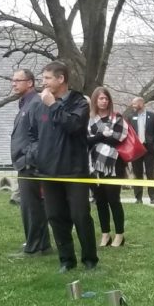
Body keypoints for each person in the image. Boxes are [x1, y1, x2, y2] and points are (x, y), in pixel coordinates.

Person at [36, 60, 98, 272]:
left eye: (47, 78)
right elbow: (34, 132)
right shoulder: (40, 104)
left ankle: (90, 259)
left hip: (74, 171)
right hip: (48, 171)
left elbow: (72, 125)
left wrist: (53, 104)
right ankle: (66, 260)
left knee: (80, 215)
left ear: (61, 79)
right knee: (55, 216)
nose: (43, 82)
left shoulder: (79, 102)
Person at [9, 69, 51, 256]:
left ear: (30, 83)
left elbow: (41, 134)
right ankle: (43, 245)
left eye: (18, 80)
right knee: (33, 205)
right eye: (13, 80)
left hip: (30, 164)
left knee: (30, 206)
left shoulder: (36, 103)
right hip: (24, 161)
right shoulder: (25, 104)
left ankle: (33, 247)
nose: (14, 84)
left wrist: (29, 158)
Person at [88, 87, 127, 247]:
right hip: (94, 165)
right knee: (100, 201)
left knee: (113, 200)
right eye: (101, 98)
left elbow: (118, 139)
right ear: (95, 101)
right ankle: (105, 234)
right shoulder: (89, 119)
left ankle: (119, 234)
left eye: (106, 98)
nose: (104, 101)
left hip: (113, 164)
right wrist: (102, 136)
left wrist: (97, 139)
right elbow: (86, 140)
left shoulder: (117, 117)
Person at [128, 97, 154, 204]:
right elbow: (129, 134)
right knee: (138, 173)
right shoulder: (131, 117)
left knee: (150, 173)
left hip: (149, 149)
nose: (133, 106)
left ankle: (152, 197)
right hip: (137, 149)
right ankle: (138, 198)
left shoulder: (153, 116)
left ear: (141, 103)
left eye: (134, 104)